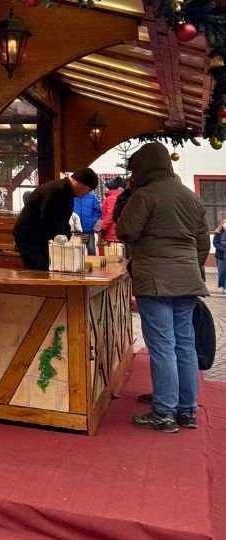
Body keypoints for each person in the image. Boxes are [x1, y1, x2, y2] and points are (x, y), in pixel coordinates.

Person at [116, 142, 210, 433]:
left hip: (155, 279)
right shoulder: (190, 197)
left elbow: (125, 230)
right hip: (187, 279)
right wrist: (189, 268)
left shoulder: (144, 195)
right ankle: (187, 410)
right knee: (184, 343)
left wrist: (130, 194)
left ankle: (164, 412)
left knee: (162, 346)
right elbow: (202, 243)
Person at [12, 168, 100, 271]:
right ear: (81, 183)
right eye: (89, 189)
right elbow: (49, 219)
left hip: (39, 238)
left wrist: (67, 239)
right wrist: (61, 242)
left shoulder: (66, 191)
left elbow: (63, 221)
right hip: (31, 238)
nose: (87, 193)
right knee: (40, 271)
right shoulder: (58, 190)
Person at [72, 186, 101, 254]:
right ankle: (78, 264)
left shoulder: (92, 197)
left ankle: (93, 263)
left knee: (91, 249)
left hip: (87, 230)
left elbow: (97, 211)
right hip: (76, 230)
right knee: (76, 250)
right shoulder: (72, 197)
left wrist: (92, 222)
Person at [97, 176, 126, 243]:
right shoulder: (116, 196)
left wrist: (102, 228)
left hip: (110, 233)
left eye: (107, 187)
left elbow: (110, 215)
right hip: (114, 232)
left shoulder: (112, 198)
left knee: (111, 252)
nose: (105, 189)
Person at [214, 219, 226, 292]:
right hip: (220, 255)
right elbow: (215, 243)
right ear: (222, 224)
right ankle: (222, 285)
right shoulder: (218, 232)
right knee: (221, 271)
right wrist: (224, 250)